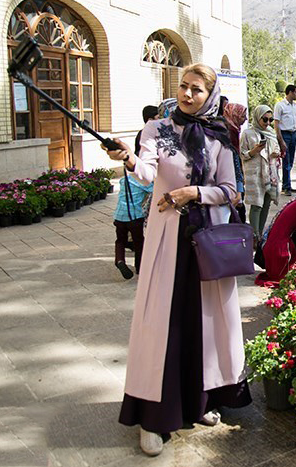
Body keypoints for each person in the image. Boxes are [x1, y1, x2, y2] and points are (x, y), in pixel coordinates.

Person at [103, 64, 251, 456]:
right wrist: (129, 159)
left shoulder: (220, 136)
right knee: (161, 324)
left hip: (205, 242)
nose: (187, 94)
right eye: (183, 86)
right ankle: (153, 417)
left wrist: (193, 193)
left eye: (196, 89)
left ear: (210, 95)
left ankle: (200, 400)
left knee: (203, 322)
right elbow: (146, 173)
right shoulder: (157, 129)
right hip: (167, 241)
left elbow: (231, 191)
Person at [241, 105, 281, 240]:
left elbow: (276, 149)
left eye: (270, 120)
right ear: (258, 117)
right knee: (256, 205)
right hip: (255, 173)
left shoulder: (271, 132)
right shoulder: (247, 133)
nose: (268, 123)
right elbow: (243, 155)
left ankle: (260, 234)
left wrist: (275, 154)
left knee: (266, 204)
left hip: (270, 172)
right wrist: (255, 150)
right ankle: (254, 236)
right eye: (265, 119)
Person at [113, 173, 153, 279]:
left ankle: (119, 260)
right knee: (138, 242)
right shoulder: (143, 182)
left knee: (120, 241)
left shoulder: (124, 179)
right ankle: (139, 267)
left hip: (119, 216)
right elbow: (154, 189)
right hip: (134, 217)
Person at [274, 84, 296, 195]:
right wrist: (280, 140)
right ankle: (286, 186)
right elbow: (276, 124)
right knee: (286, 161)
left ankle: (287, 183)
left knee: (290, 161)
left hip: (293, 133)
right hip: (284, 134)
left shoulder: (294, 106)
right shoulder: (280, 105)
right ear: (290, 92)